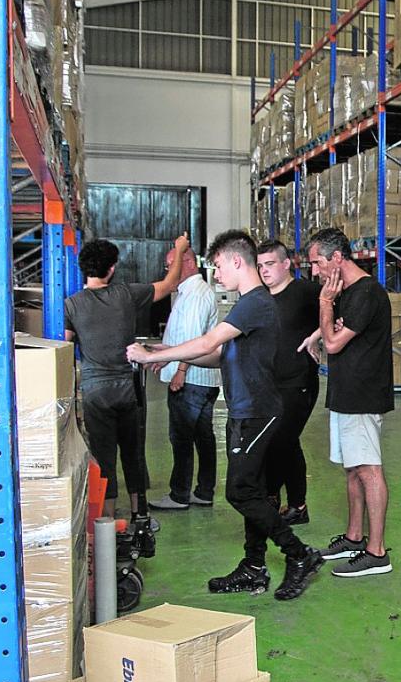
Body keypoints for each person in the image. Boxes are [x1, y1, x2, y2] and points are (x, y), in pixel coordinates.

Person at [127, 230, 323, 600]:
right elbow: (219, 356)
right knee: (258, 492)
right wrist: (172, 352)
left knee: (239, 492)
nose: (216, 275)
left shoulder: (254, 303)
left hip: (256, 412)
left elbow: (209, 342)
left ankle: (299, 554)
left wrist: (152, 356)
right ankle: (254, 567)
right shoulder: (248, 304)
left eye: (217, 266)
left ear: (236, 261)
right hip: (247, 409)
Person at [64, 235, 190, 557]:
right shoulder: (126, 294)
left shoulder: (71, 305)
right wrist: (179, 249)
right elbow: (171, 282)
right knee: (132, 454)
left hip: (94, 392)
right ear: (112, 268)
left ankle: (107, 525)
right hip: (126, 388)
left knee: (104, 459)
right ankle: (140, 517)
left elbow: (65, 348)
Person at [306, 227, 395, 578]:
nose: (315, 272)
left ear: (337, 258)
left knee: (368, 468)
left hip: (362, 393)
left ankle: (377, 552)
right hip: (345, 391)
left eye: (317, 263)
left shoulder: (365, 293)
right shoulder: (347, 292)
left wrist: (325, 307)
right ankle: (355, 536)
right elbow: (331, 333)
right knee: (352, 468)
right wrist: (320, 329)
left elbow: (333, 344)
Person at [150, 245, 221, 511]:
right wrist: (165, 355)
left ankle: (179, 495)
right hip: (200, 379)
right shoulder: (189, 292)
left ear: (189, 262)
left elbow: (194, 341)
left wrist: (179, 371)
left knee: (181, 439)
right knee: (203, 438)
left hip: (191, 380)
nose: (169, 271)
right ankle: (203, 491)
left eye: (172, 264)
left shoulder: (195, 295)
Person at [257, 240, 322, 526]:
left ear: (286, 265)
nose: (264, 271)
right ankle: (283, 501)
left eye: (270, 264)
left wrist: (318, 335)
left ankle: (291, 502)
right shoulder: (261, 297)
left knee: (282, 440)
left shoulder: (306, 292)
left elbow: (344, 308)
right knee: (278, 441)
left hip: (299, 382)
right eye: (260, 266)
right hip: (269, 384)